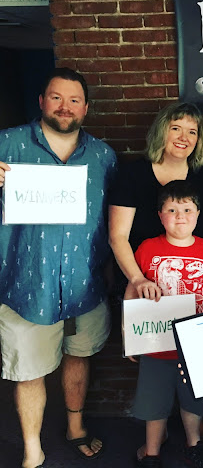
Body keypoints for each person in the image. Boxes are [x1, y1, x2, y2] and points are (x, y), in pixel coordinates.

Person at [0, 67, 117, 468]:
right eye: (56, 97)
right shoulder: (8, 145)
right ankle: (32, 448)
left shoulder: (103, 157)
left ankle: (75, 427)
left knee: (78, 356)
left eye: (73, 100)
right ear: (41, 102)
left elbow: (113, 219)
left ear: (85, 108)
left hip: (86, 282)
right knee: (29, 370)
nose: (64, 107)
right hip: (27, 284)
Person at [125, 180, 203, 468]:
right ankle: (152, 452)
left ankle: (194, 444)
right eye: (172, 210)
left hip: (195, 346)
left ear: (198, 214)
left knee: (193, 400)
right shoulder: (148, 248)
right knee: (155, 402)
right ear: (160, 215)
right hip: (156, 345)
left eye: (187, 210)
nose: (180, 217)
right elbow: (132, 290)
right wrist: (128, 333)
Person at [109, 101, 203, 303]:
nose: (184, 138)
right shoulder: (132, 175)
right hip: (143, 292)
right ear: (161, 131)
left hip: (196, 294)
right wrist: (138, 280)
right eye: (176, 128)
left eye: (192, 132)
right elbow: (118, 236)